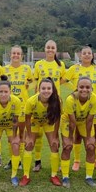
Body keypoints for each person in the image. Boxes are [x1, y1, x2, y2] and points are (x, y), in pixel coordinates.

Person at [66, 44, 96, 172]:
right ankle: (77, 161)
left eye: (89, 53)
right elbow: (63, 80)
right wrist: (72, 89)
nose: (87, 55)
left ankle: (94, 160)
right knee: (77, 134)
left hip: (93, 105)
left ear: (92, 55)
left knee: (94, 134)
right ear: (80, 55)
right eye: (84, 53)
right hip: (78, 105)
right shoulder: (74, 68)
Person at [32, 40, 67, 172]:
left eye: (53, 48)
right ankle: (37, 161)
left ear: (56, 50)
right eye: (48, 47)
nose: (50, 50)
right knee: (39, 133)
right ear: (45, 49)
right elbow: (36, 83)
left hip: (55, 103)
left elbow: (62, 80)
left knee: (54, 133)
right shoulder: (39, 64)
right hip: (40, 102)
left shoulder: (61, 65)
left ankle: (56, 162)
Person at [60, 77, 96, 188]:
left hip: (84, 121)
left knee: (91, 146)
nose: (84, 90)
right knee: (67, 146)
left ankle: (89, 177)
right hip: (68, 121)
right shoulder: (70, 99)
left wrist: (88, 138)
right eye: (81, 87)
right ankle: (65, 176)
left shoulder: (95, 99)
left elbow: (90, 120)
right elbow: (72, 122)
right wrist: (69, 137)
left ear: (91, 88)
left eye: (87, 87)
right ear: (77, 88)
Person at [21, 78, 62, 186]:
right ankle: (26, 176)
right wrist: (29, 136)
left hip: (48, 122)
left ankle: (54, 175)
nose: (46, 91)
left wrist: (55, 135)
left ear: (53, 89)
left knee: (54, 145)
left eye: (49, 88)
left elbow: (57, 119)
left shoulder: (57, 100)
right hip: (35, 122)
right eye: (43, 88)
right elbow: (27, 119)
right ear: (39, 89)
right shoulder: (31, 101)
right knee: (29, 145)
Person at [0, 76, 24, 187]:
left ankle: (14, 175)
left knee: (15, 145)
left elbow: (16, 120)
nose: (3, 94)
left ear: (10, 91)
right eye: (1, 91)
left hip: (10, 125)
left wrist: (15, 136)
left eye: (6, 91)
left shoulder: (16, 101)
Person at [1, 45, 33, 170]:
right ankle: (13, 159)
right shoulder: (4, 70)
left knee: (21, 135)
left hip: (23, 107)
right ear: (10, 55)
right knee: (11, 136)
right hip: (8, 107)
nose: (15, 55)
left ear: (22, 56)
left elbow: (32, 82)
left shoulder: (27, 69)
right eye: (14, 53)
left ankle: (20, 160)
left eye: (18, 54)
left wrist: (27, 87)